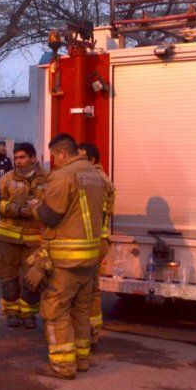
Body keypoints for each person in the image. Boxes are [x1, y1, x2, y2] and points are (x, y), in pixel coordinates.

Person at [25, 133, 114, 380]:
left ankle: (62, 366)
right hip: (89, 257)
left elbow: (51, 215)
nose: (54, 162)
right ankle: (82, 359)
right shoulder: (96, 175)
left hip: (65, 259)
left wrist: (35, 207)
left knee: (56, 311)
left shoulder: (64, 175)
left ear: (62, 153)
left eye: (54, 157)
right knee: (81, 310)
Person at [0, 142, 48, 330]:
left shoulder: (47, 180)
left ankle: (29, 314)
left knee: (32, 280)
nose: (18, 161)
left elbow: (54, 205)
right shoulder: (6, 179)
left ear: (33, 158)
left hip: (35, 240)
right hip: (8, 239)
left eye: (22, 157)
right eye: (16, 157)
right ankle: (12, 313)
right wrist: (16, 210)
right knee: (8, 279)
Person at [78, 142, 116, 345]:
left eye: (81, 159)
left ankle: (88, 334)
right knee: (91, 288)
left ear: (92, 160)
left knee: (87, 289)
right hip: (97, 239)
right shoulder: (99, 178)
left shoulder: (94, 180)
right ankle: (91, 332)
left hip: (92, 241)